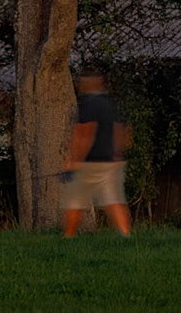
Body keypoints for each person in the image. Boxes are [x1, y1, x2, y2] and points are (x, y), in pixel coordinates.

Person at [62, 72, 130, 237]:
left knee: (74, 201)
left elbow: (85, 132)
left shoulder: (87, 105)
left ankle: (68, 237)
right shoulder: (109, 105)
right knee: (114, 200)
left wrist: (75, 160)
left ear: (85, 85)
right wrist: (117, 154)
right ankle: (126, 235)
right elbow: (122, 130)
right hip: (109, 162)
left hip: (89, 163)